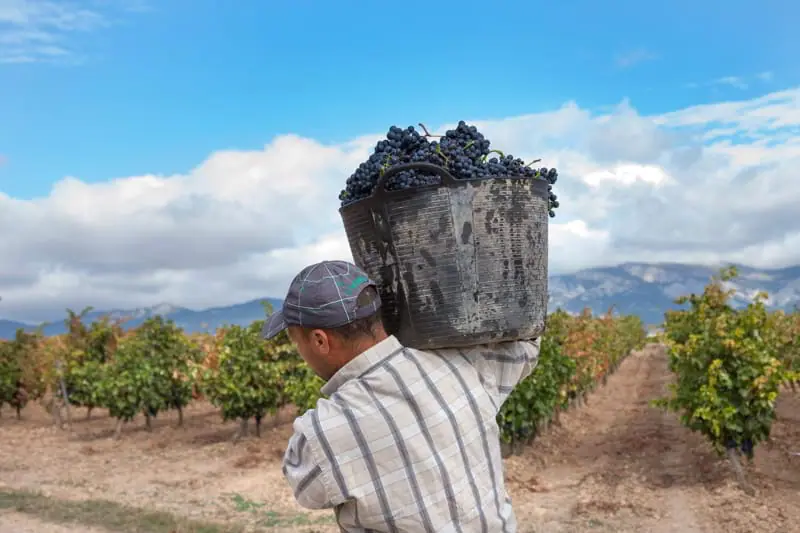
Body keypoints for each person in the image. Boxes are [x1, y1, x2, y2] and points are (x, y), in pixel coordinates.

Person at [262, 260, 540, 533]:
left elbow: (305, 488)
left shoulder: (323, 432)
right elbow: (527, 346)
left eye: (294, 339)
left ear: (320, 341)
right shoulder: (464, 363)